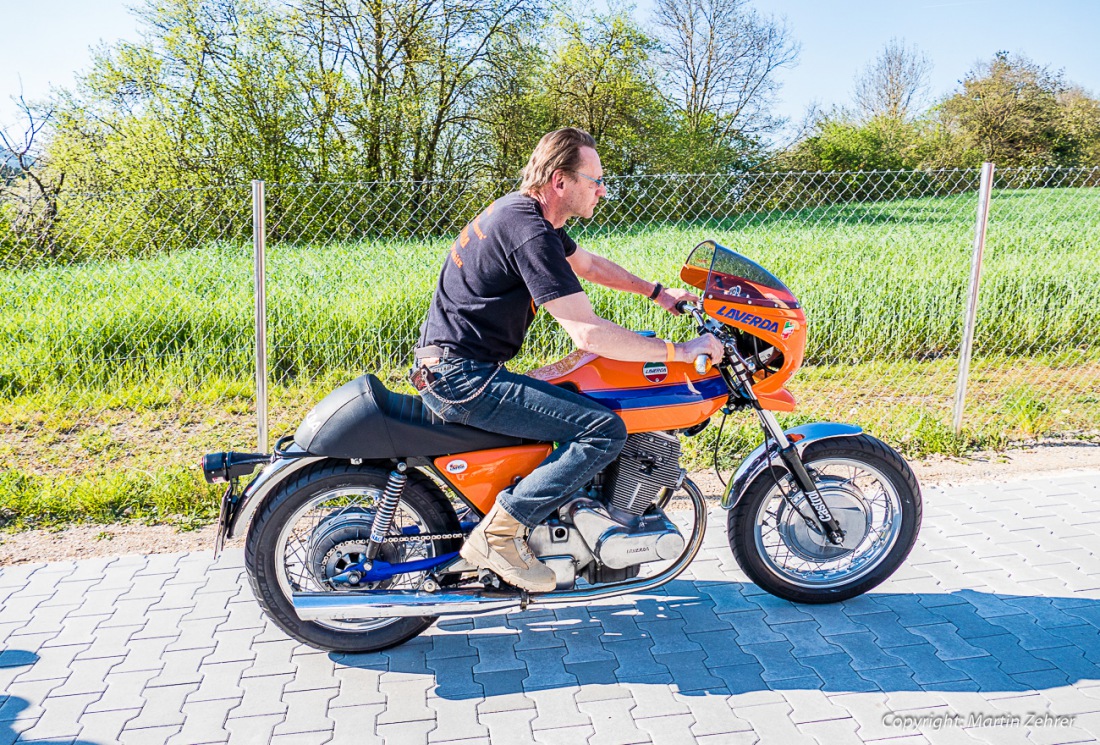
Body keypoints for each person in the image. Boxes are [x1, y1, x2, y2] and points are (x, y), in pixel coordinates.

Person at [411, 127, 724, 592]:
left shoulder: (530, 219)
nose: (602, 189)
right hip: (464, 379)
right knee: (602, 429)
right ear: (560, 181)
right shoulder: (529, 231)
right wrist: (680, 352)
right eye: (594, 180)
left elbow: (592, 266)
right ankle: (501, 533)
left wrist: (658, 294)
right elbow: (587, 331)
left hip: (457, 370)